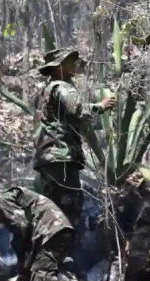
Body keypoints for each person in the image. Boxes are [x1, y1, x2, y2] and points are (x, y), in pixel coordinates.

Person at [32, 48, 117, 227]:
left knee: (52, 210)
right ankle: (66, 252)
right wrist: (101, 106)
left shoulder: (45, 92)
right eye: (68, 62)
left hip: (47, 159)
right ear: (58, 68)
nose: (73, 65)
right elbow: (78, 111)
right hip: (61, 157)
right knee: (68, 208)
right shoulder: (61, 87)